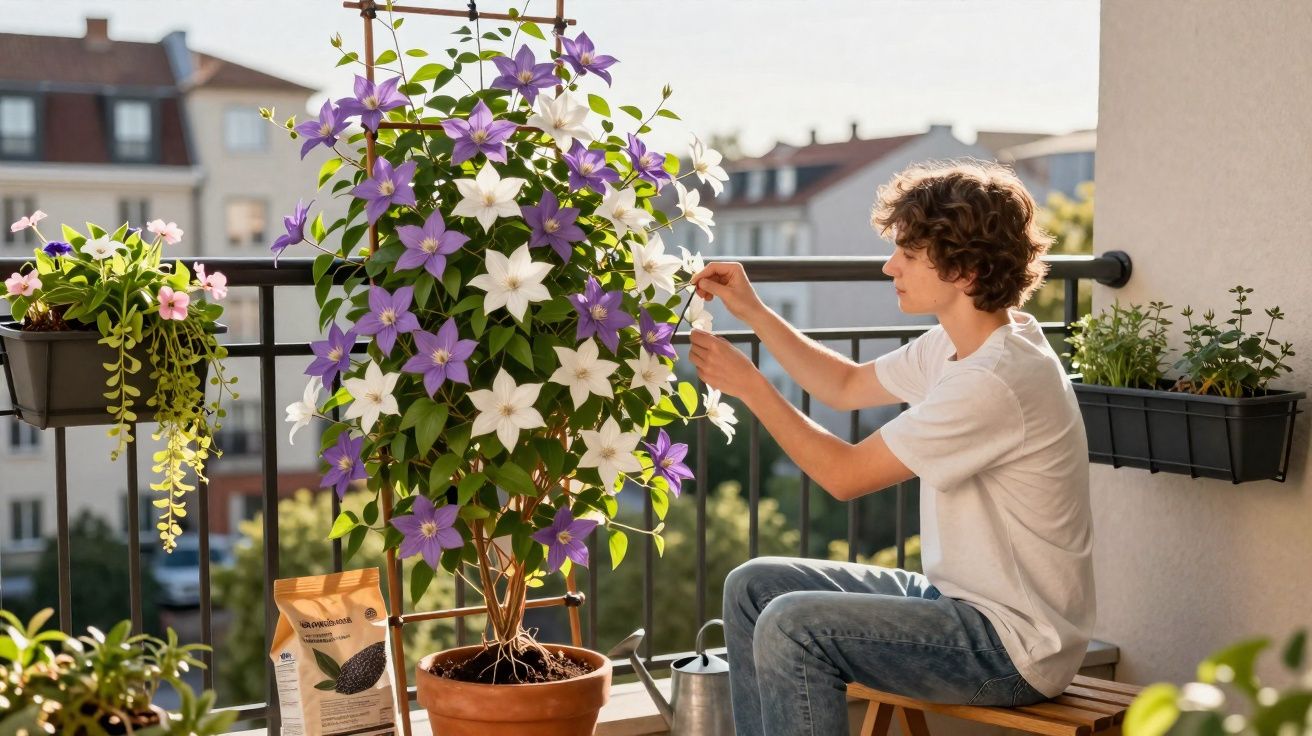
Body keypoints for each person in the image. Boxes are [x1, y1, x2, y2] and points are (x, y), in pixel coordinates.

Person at [688, 160, 1095, 736]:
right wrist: (752, 311)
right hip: (955, 600)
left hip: (1014, 645)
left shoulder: (994, 381)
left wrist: (751, 386)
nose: (889, 265)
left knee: (790, 623)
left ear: (966, 270)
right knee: (753, 586)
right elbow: (846, 386)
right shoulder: (966, 343)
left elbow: (845, 475)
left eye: (909, 252)